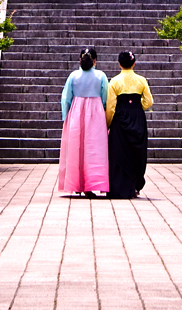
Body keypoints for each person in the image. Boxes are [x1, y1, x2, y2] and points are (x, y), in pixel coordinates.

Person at [57, 49, 109, 196]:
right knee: (95, 149)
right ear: (95, 60)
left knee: (76, 148)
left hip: (76, 112)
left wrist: (65, 117)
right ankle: (92, 183)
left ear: (80, 60)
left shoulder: (73, 76)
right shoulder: (101, 76)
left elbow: (66, 98)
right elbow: (106, 98)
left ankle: (76, 183)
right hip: (96, 114)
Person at [105, 49, 152, 199]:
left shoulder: (114, 81)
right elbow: (149, 101)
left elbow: (111, 106)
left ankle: (118, 187)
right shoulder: (141, 80)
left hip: (120, 118)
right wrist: (138, 107)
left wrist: (108, 123)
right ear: (134, 63)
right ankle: (136, 186)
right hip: (137, 116)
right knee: (137, 151)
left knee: (118, 152)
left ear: (119, 64)